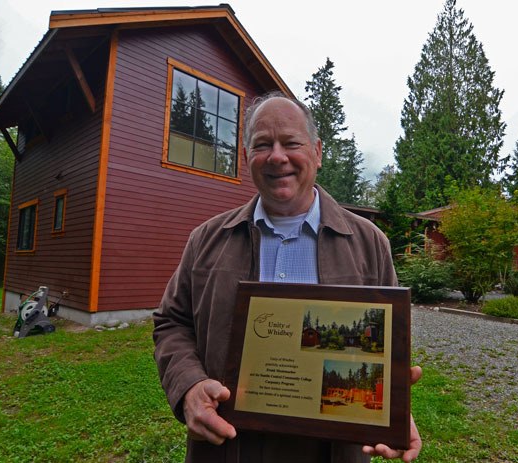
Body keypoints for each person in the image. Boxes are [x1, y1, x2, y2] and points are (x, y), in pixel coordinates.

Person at [153, 93, 422, 463]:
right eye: (263, 144)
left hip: (331, 454)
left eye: (291, 143)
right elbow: (171, 321)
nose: (277, 156)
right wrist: (189, 386)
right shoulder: (206, 240)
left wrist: (392, 413)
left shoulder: (368, 243)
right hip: (228, 449)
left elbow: (386, 349)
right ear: (248, 157)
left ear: (317, 152)